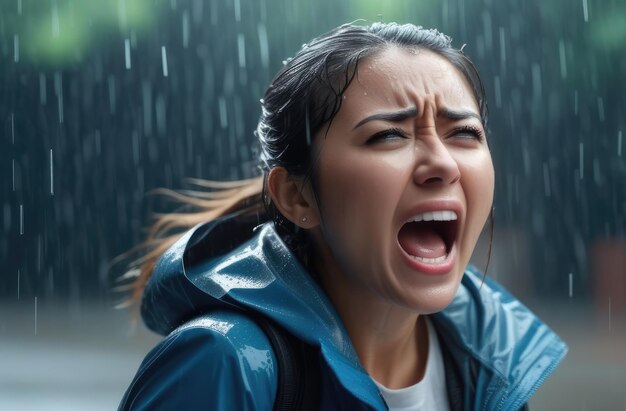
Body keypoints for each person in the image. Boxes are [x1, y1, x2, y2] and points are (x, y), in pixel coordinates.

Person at [118, 22, 567, 410]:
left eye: (464, 133)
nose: (444, 164)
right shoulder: (223, 364)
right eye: (389, 135)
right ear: (297, 196)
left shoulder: (491, 368)